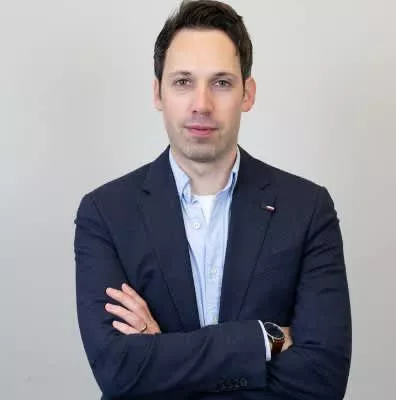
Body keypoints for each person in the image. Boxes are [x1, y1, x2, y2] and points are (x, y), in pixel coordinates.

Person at [74, 1, 352, 399]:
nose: (201, 104)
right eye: (183, 82)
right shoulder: (105, 213)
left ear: (247, 94)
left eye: (221, 82)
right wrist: (261, 339)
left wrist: (162, 356)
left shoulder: (307, 209)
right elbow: (118, 371)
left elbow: (323, 379)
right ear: (158, 93)